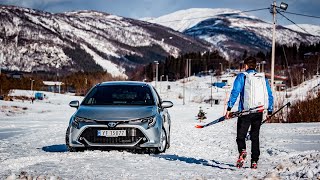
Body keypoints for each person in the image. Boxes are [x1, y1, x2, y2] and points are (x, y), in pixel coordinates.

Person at [225, 56, 273, 169]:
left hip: (245, 112)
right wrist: (269, 110)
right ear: (255, 66)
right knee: (255, 137)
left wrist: (229, 108)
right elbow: (269, 95)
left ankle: (242, 151)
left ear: (246, 66)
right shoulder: (262, 78)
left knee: (240, 137)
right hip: (259, 111)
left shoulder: (242, 76)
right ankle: (254, 161)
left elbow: (235, 92)